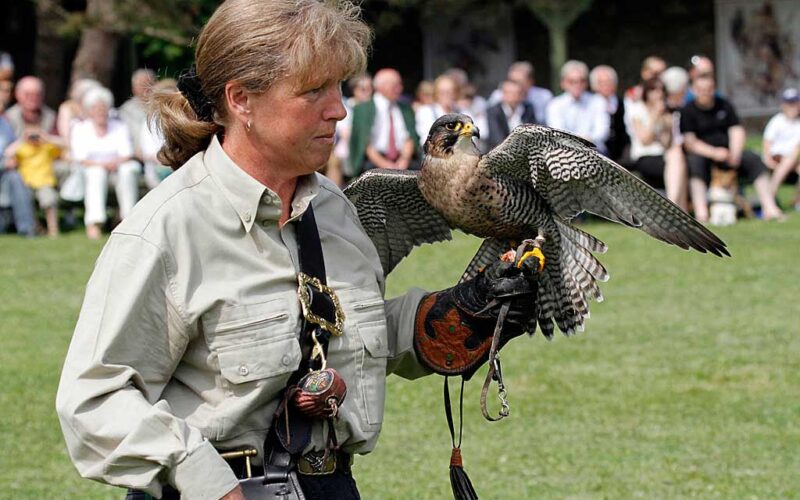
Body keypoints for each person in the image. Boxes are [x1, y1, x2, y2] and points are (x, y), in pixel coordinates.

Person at [55, 2, 540, 499]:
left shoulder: (332, 208)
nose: (339, 109)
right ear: (241, 100)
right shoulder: (166, 228)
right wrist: (205, 479)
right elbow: (94, 400)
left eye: (339, 87)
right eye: (313, 91)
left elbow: (348, 336)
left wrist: (464, 310)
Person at [680, 75, 783, 221]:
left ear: (714, 89)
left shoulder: (724, 105)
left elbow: (736, 129)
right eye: (701, 89)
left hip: (729, 153)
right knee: (695, 163)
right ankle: (701, 213)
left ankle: (769, 207)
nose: (705, 92)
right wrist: (714, 153)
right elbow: (690, 142)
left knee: (753, 159)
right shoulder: (687, 111)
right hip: (704, 155)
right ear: (694, 90)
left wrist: (735, 152)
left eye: (708, 89)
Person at [70, 86, 140, 239]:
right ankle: (95, 222)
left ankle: (128, 219)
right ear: (89, 110)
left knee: (128, 170)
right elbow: (80, 158)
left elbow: (127, 153)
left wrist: (114, 163)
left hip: (117, 168)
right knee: (96, 173)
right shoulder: (80, 128)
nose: (100, 112)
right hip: (88, 171)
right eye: (96, 108)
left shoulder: (119, 126)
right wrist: (102, 165)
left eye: (103, 108)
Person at [627, 78, 687, 209]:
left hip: (665, 156)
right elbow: (645, 139)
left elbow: (666, 143)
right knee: (679, 163)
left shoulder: (668, 112)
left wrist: (666, 122)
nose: (658, 93)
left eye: (661, 90)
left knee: (677, 155)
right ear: (646, 92)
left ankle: (673, 206)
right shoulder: (637, 110)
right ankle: (677, 208)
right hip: (645, 155)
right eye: (654, 90)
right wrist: (655, 115)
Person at [349, 68, 420, 175]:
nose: (400, 88)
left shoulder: (405, 109)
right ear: (380, 86)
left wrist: (404, 160)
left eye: (400, 84)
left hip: (403, 161)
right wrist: (385, 165)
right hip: (373, 163)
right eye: (395, 85)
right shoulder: (363, 109)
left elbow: (409, 137)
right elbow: (364, 142)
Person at [5, 126, 65, 236]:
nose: (34, 137)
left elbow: (66, 145)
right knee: (25, 202)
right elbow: (7, 153)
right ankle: (37, 229)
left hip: (45, 183)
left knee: (49, 200)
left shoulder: (46, 147)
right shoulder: (23, 148)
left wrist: (46, 137)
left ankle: (53, 230)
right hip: (26, 184)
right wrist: (22, 139)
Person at [546, 60, 610, 154]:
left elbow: (602, 132)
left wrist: (586, 140)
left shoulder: (598, 101)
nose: (577, 85)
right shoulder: (555, 105)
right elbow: (557, 133)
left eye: (581, 81)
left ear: (586, 83)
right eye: (572, 81)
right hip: (565, 152)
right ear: (563, 83)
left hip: (595, 151)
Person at [762, 87, 800, 207]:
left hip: (792, 160)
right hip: (776, 157)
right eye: (789, 104)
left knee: (790, 159)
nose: (792, 107)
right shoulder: (777, 121)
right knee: (787, 160)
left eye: (794, 103)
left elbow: (797, 148)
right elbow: (767, 142)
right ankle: (770, 197)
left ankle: (797, 201)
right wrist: (768, 159)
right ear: (783, 105)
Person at [0, 115, 36, 237]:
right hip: (3, 167)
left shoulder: (4, 124)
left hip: (5, 173)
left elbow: (12, 146)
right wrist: (3, 164)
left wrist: (13, 157)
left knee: (16, 178)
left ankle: (27, 228)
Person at [489, 61, 552, 125]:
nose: (514, 85)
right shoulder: (498, 95)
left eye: (518, 81)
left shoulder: (544, 96)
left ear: (530, 81)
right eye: (511, 81)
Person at [590, 64, 629, 161]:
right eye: (601, 83)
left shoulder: (623, 103)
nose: (606, 86)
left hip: (621, 151)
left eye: (609, 82)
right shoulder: (589, 104)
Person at [485, 79, 536, 151]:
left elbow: (533, 132)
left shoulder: (528, 109)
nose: (516, 96)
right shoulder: (494, 111)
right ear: (503, 94)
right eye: (512, 93)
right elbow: (496, 137)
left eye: (519, 93)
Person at [119, 69, 157, 162]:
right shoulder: (125, 110)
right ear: (133, 89)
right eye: (141, 85)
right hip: (134, 157)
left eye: (148, 83)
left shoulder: (162, 107)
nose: (145, 88)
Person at [414, 74, 460, 145]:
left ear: (455, 93)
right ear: (436, 93)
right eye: (442, 92)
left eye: (450, 91)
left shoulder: (462, 111)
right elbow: (428, 139)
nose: (446, 95)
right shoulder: (426, 111)